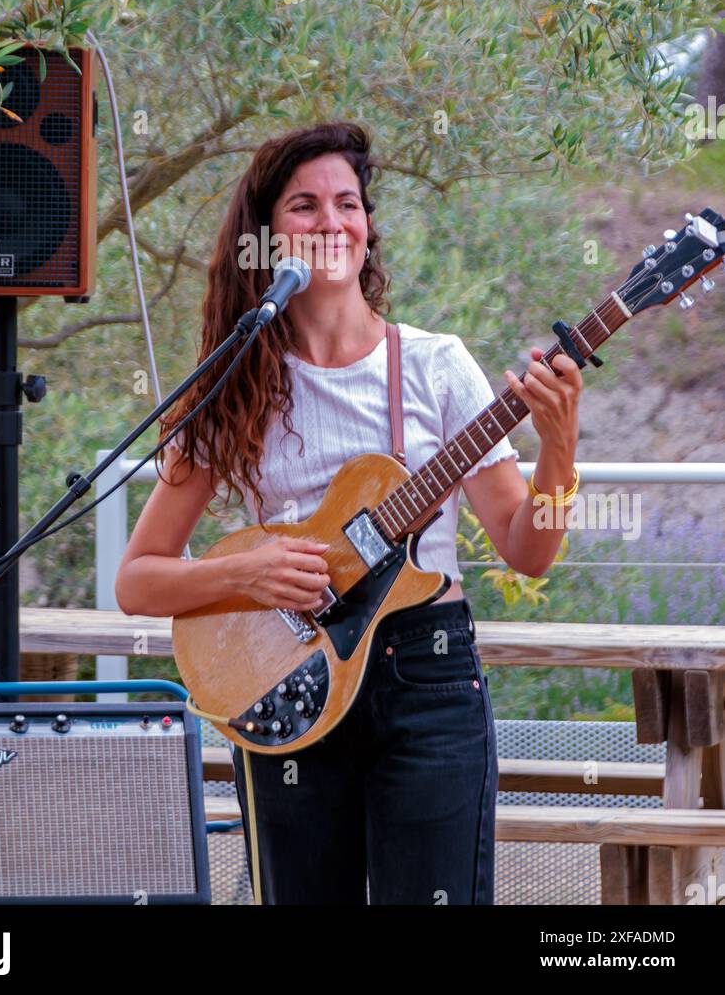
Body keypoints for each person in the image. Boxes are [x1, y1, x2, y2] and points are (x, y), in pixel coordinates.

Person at [116, 120, 582, 905]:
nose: (332, 222)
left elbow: (526, 551)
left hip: (426, 681)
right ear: (264, 239)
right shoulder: (234, 385)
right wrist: (249, 572)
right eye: (304, 206)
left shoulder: (438, 367)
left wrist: (560, 446)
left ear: (367, 229)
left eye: (348, 204)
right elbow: (138, 581)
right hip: (288, 677)